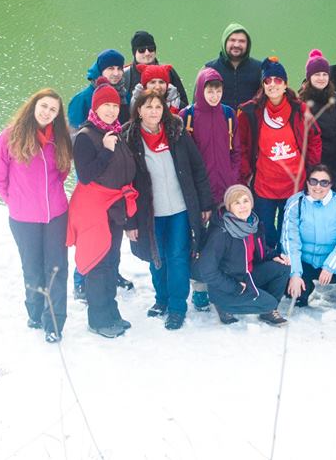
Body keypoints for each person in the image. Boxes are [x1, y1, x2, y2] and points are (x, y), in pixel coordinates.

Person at [122, 91, 214, 330]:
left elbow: (197, 168)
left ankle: (176, 307)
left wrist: (205, 203)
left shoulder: (177, 133)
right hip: (150, 213)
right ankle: (161, 300)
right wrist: (129, 221)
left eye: (158, 107)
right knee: (157, 258)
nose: (154, 111)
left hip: (180, 210)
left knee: (177, 257)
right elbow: (125, 184)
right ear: (139, 110)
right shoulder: (129, 138)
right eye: (148, 107)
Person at [0, 89, 72, 343]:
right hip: (23, 218)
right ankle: (35, 313)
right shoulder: (9, 137)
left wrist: (51, 196)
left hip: (56, 215)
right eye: (44, 106)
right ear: (33, 105)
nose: (47, 112)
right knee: (33, 268)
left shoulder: (60, 138)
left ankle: (54, 323)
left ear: (57, 115)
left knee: (56, 269)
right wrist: (15, 200)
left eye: (53, 110)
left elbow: (63, 171)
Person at [66, 82, 138, 339]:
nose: (110, 110)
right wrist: (107, 151)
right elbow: (86, 176)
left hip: (115, 208)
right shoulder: (86, 136)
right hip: (97, 211)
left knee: (111, 261)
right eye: (105, 105)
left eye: (114, 105)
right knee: (98, 263)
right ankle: (98, 319)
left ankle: (111, 312)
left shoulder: (115, 131)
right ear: (96, 107)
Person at [237, 57, 322, 248]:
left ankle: (289, 269)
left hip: (293, 184)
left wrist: (311, 168)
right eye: (268, 80)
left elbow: (315, 137)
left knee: (289, 232)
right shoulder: (251, 111)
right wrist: (246, 173)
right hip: (264, 185)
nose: (273, 85)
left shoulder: (299, 109)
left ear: (285, 84)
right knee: (265, 232)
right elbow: (240, 145)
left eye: (278, 80)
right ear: (263, 85)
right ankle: (269, 267)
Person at [180, 68, 242, 310]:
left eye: (218, 90)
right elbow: (185, 158)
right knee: (199, 242)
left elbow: (236, 150)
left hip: (225, 192)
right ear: (200, 89)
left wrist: (232, 180)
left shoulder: (228, 114)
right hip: (198, 192)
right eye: (209, 90)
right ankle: (199, 288)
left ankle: (220, 284)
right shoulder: (188, 116)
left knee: (223, 240)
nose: (214, 95)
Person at [194, 184, 290, 326]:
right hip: (228, 286)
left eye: (246, 201)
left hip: (247, 275)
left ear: (251, 203)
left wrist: (273, 256)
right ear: (229, 207)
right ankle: (224, 306)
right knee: (269, 302)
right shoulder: (221, 233)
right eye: (236, 203)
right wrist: (234, 287)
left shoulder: (252, 224)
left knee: (282, 268)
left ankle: (267, 311)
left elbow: (259, 250)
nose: (242, 206)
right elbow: (207, 270)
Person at [282, 165, 336, 316]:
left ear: (331, 184)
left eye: (324, 182)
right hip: (305, 261)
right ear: (307, 182)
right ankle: (303, 291)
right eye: (313, 181)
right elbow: (289, 240)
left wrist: (330, 266)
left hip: (333, 264)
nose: (318, 186)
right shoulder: (296, 203)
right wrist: (295, 273)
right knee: (290, 277)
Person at [300, 49, 336, 190]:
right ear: (309, 77)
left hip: (335, 165)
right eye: (317, 74)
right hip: (310, 166)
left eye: (324, 74)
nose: (321, 78)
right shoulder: (301, 102)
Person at [67, 49, 129, 131]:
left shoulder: (125, 95)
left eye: (119, 69)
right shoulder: (81, 99)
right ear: (100, 70)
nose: (116, 73)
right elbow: (74, 132)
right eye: (111, 68)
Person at [122, 30, 189, 106]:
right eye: (142, 50)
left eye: (151, 49)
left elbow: (185, 106)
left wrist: (174, 102)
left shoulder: (168, 71)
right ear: (134, 53)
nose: (147, 53)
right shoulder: (125, 75)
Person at [205, 23, 262, 110]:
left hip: (250, 122)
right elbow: (198, 102)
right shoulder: (209, 69)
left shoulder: (259, 68)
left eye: (242, 41)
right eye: (232, 40)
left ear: (248, 44)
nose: (236, 45)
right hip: (217, 122)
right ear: (225, 42)